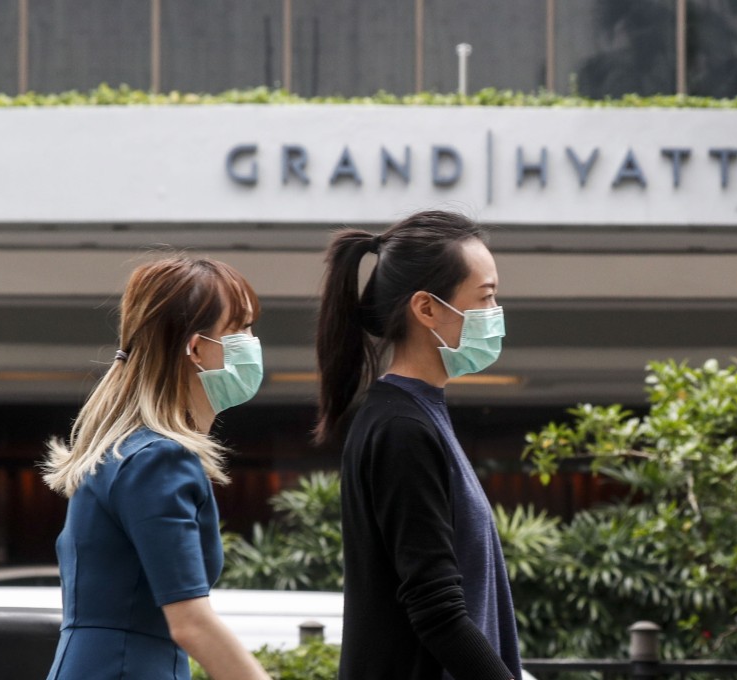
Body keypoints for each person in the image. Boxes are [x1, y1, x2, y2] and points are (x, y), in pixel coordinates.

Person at [41, 255, 270, 680]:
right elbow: (191, 622)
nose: (252, 342)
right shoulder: (158, 460)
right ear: (197, 348)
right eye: (239, 328)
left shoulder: (128, 451)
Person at [315, 210, 521, 680]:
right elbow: (436, 609)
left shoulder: (415, 416)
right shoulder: (401, 428)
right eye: (485, 297)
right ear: (426, 308)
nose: (495, 315)